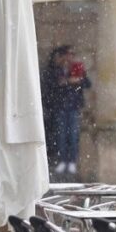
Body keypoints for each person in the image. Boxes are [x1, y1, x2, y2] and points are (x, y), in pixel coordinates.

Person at [53, 45, 91, 175]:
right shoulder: (57, 69)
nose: (70, 57)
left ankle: (72, 161)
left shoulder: (77, 68)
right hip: (61, 106)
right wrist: (66, 82)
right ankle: (63, 160)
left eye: (72, 54)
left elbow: (87, 83)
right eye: (68, 54)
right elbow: (54, 85)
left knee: (73, 136)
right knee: (62, 135)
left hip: (73, 106)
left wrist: (77, 80)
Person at [40, 47, 65, 163]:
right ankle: (54, 157)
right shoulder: (50, 71)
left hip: (59, 106)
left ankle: (59, 158)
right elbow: (48, 88)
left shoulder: (62, 70)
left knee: (59, 134)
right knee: (53, 134)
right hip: (52, 107)